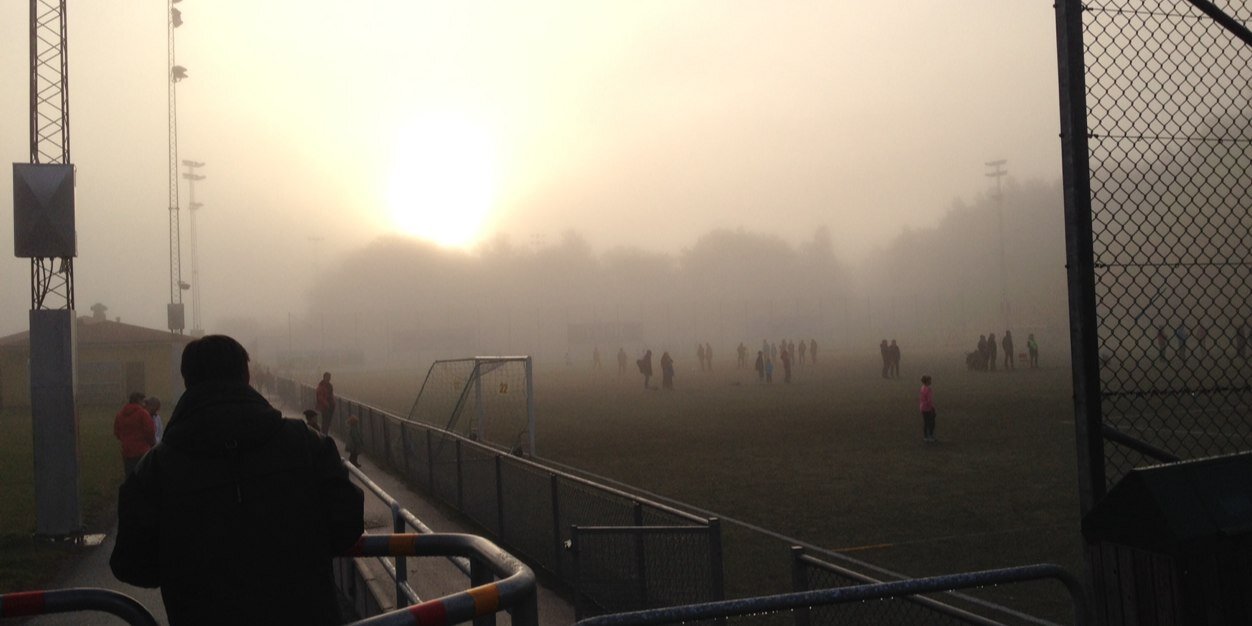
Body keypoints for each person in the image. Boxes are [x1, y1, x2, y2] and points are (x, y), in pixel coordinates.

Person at [110, 334, 364, 626]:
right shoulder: (306, 444)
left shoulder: (156, 468)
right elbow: (347, 522)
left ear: (187, 381)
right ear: (246, 376)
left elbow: (131, 564)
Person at [114, 392, 155, 476]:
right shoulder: (143, 414)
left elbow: (117, 432)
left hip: (127, 452)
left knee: (130, 476)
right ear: (139, 401)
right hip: (142, 451)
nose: (145, 404)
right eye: (143, 401)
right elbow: (150, 431)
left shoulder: (120, 415)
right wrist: (152, 443)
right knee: (143, 476)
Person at [316, 371, 335, 435]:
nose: (329, 379)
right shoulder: (321, 386)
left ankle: (324, 434)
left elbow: (331, 395)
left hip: (330, 406)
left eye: (329, 377)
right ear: (324, 377)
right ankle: (324, 434)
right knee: (325, 421)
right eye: (328, 377)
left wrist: (333, 403)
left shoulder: (329, 385)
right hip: (325, 406)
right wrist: (326, 404)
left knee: (327, 421)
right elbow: (320, 397)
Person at [919, 375, 936, 442]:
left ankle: (926, 437)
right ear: (927, 381)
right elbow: (929, 400)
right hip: (927, 408)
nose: (930, 381)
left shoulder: (922, 387)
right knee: (931, 423)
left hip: (922, 407)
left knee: (926, 422)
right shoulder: (928, 389)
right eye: (929, 380)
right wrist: (932, 408)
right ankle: (930, 436)